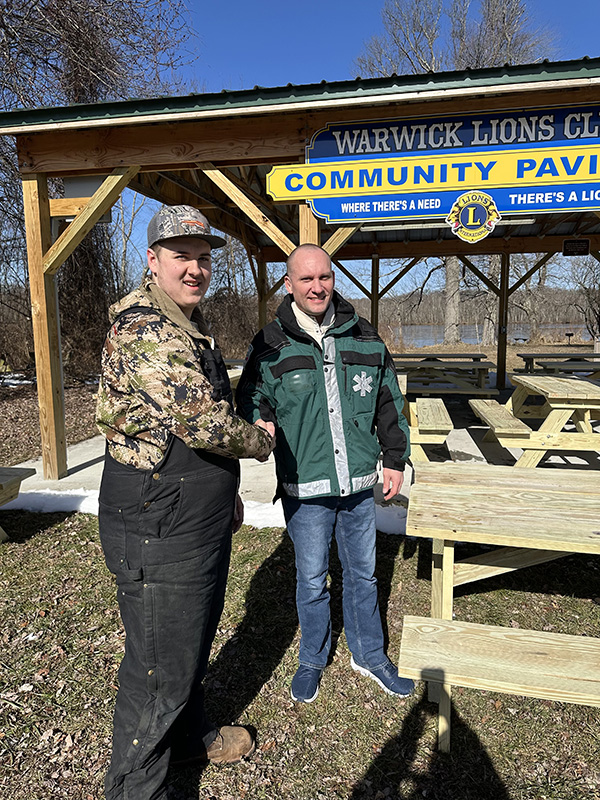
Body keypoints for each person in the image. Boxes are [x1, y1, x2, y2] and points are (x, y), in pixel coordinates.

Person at [96, 204, 274, 800]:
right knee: (157, 672)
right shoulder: (149, 327)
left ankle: (189, 738)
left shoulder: (186, 323)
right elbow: (203, 423)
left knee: (189, 643)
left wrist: (223, 501)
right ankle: (134, 788)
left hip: (192, 513)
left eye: (202, 257)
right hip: (157, 521)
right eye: (181, 256)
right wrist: (260, 440)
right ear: (153, 260)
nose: (195, 268)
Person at [236, 243, 414, 704]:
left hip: (357, 484)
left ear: (333, 279)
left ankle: (370, 654)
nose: (317, 287)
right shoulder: (269, 343)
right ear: (290, 284)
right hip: (305, 486)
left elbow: (389, 401)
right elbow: (249, 400)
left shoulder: (366, 337)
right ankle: (312, 657)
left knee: (364, 574)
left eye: (325, 277)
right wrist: (257, 419)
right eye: (307, 279)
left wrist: (394, 460)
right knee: (312, 577)